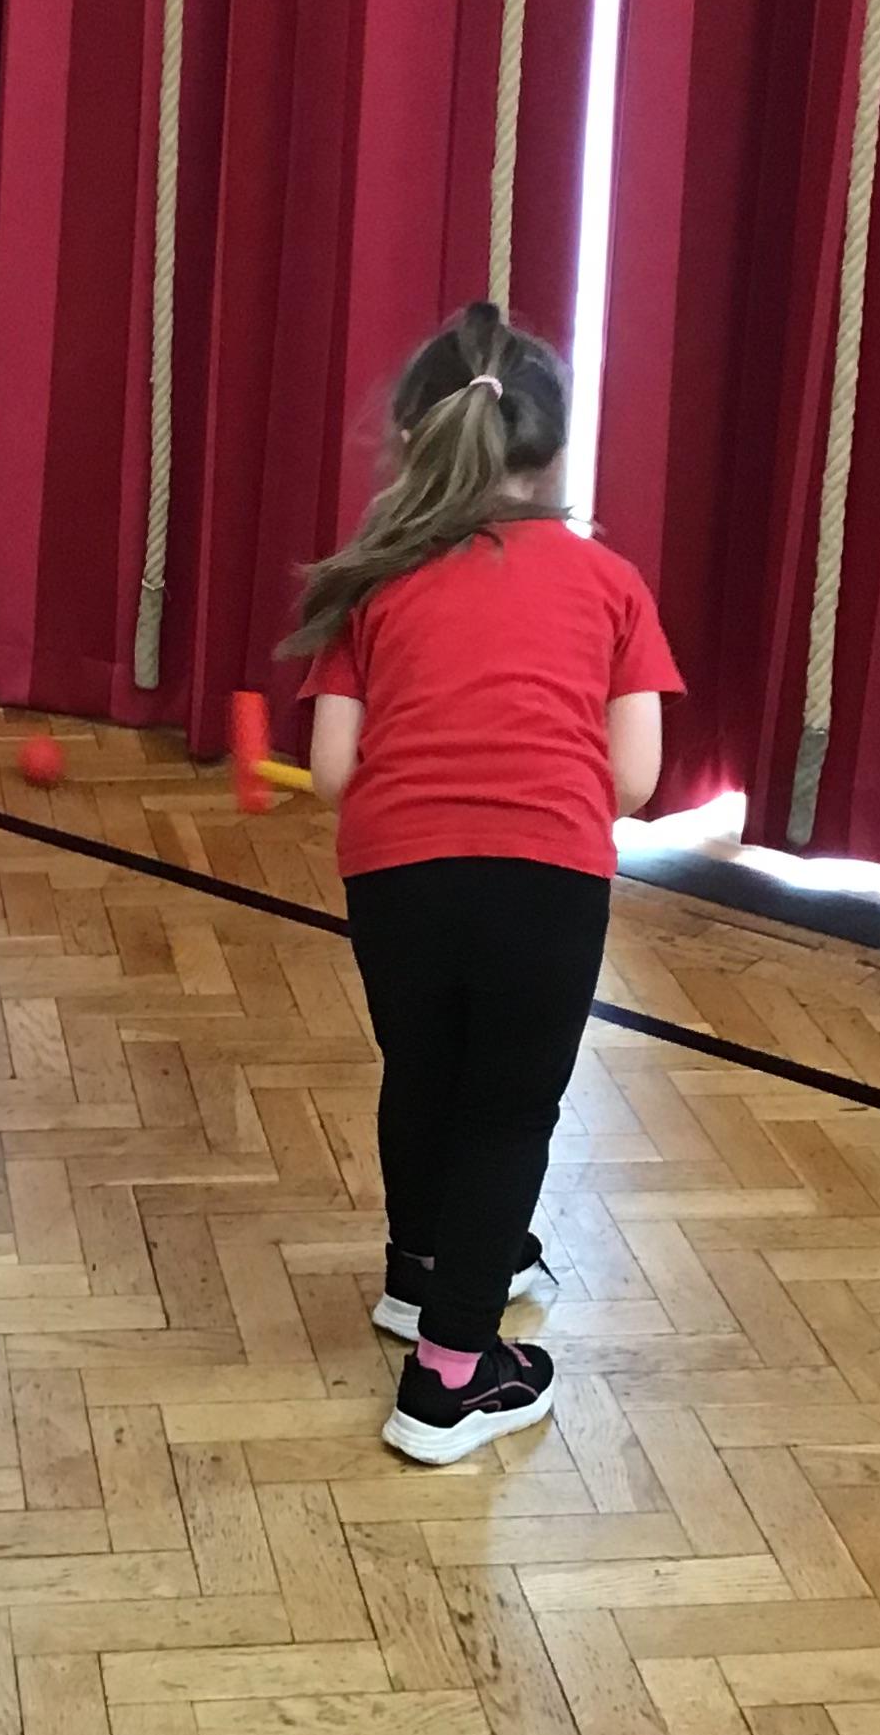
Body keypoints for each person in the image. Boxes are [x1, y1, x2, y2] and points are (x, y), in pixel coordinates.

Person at [290, 303, 680, 1463]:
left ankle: (420, 1276)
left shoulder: (376, 584)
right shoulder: (611, 583)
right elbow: (635, 782)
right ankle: (451, 1377)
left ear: (413, 441)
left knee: (425, 1075)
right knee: (509, 1112)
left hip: (395, 876)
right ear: (552, 455)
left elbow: (332, 772)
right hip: (545, 879)